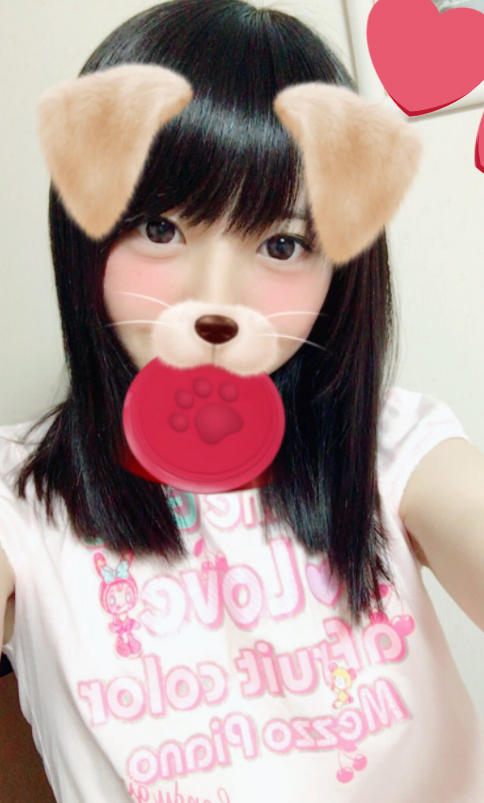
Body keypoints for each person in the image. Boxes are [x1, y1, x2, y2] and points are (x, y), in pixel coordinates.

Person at [1, 0, 484, 801]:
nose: (216, 296)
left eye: (281, 243)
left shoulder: (393, 446)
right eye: (160, 228)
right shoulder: (21, 491)